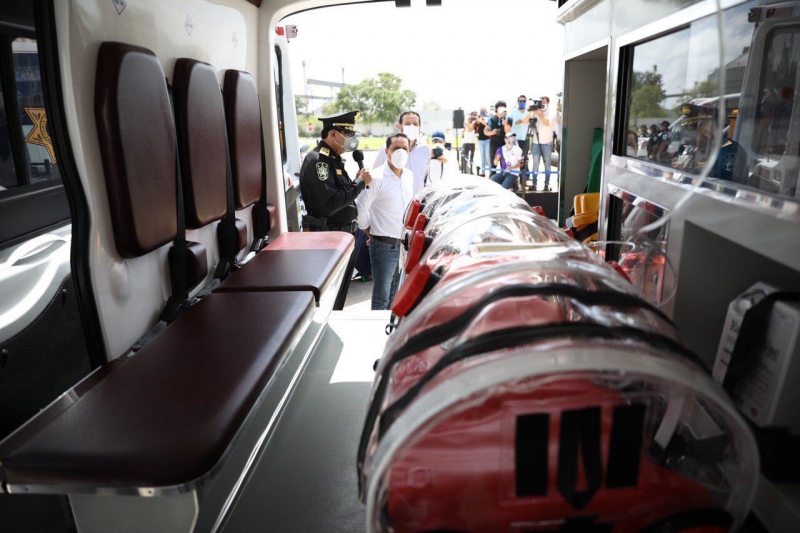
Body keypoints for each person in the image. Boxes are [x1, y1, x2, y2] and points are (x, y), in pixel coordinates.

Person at [299, 110, 373, 309]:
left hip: (343, 236)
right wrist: (359, 183)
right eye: (348, 134)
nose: (352, 139)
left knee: (339, 297)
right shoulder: (318, 160)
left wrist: (356, 182)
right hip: (328, 237)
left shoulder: (333, 159)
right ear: (333, 134)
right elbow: (329, 205)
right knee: (328, 299)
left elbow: (343, 196)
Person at [356, 134, 414, 310]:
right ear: (387, 151)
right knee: (382, 296)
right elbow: (360, 209)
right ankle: (377, 327)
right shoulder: (376, 177)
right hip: (383, 246)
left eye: (404, 148)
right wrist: (370, 231)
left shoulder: (408, 176)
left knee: (396, 294)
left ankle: (390, 326)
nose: (400, 152)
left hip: (403, 246)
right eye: (396, 148)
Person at [373, 111, 431, 194]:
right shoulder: (387, 149)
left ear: (419, 127)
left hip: (418, 200)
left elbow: (427, 178)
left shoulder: (425, 150)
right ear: (400, 127)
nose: (412, 127)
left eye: (415, 124)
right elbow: (375, 176)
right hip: (393, 199)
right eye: (407, 124)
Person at [529, 96, 557, 191]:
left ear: (548, 103)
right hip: (536, 142)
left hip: (547, 143)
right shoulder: (536, 111)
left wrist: (539, 114)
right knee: (535, 164)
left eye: (544, 102)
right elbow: (529, 122)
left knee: (547, 164)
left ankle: (546, 184)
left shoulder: (552, 112)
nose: (542, 104)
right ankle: (534, 184)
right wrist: (531, 111)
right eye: (541, 102)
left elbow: (547, 122)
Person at [484, 101, 510, 176]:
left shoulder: (508, 118)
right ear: (496, 109)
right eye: (500, 107)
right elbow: (485, 131)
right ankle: (492, 177)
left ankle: (503, 178)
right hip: (494, 143)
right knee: (493, 164)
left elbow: (509, 131)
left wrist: (505, 124)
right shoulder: (491, 119)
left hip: (505, 143)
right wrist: (492, 132)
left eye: (503, 107)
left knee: (504, 164)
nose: (502, 109)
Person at [476, 107, 490, 176]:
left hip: (487, 139)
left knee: (488, 156)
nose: (482, 112)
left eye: (483, 111)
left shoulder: (488, 118)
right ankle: (483, 172)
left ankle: (491, 172)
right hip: (480, 140)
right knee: (482, 157)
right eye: (481, 111)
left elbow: (487, 124)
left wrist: (480, 120)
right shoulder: (478, 118)